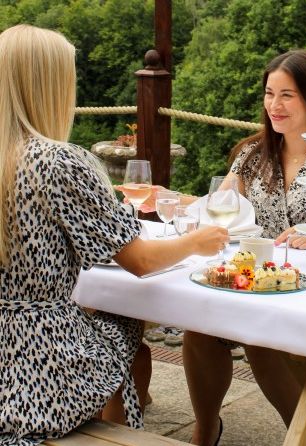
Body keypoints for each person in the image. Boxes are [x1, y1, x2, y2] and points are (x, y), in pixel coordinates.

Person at [0, 24, 228, 446]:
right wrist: (196, 242)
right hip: (40, 380)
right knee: (122, 315)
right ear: (50, 85)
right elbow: (139, 261)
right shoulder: (60, 163)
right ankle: (118, 428)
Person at [182, 49, 306, 445]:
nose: (275, 105)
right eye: (270, 93)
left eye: (287, 95)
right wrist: (174, 204)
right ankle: (206, 430)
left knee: (260, 337)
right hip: (261, 280)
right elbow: (217, 208)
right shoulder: (252, 155)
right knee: (199, 329)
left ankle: (303, 435)